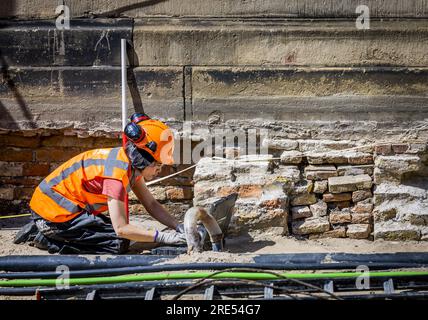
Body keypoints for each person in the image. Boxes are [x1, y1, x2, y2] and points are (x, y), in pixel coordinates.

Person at [14, 113, 187, 254]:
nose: (159, 170)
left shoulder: (128, 164)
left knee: (127, 234)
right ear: (143, 159)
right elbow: (121, 229)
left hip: (60, 210)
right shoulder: (116, 176)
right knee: (118, 242)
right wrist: (164, 238)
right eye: (158, 164)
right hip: (53, 216)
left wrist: (178, 227)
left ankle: (49, 231)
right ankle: (45, 237)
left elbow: (151, 203)